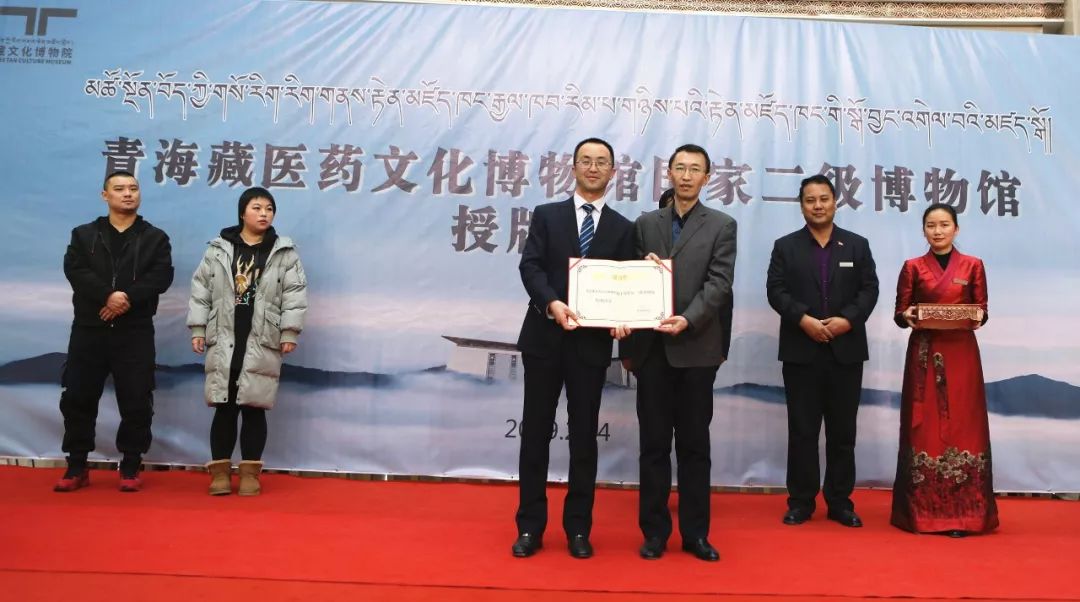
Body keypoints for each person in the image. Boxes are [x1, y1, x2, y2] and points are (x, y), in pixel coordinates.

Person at [512, 137, 635, 559]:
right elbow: (530, 266)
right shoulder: (547, 215)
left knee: (584, 438)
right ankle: (530, 527)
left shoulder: (623, 228)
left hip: (591, 346)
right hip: (544, 339)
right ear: (574, 167)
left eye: (602, 162)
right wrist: (552, 303)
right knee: (536, 434)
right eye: (586, 160)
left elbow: (626, 285)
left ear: (613, 171)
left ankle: (578, 529)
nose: (593, 167)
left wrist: (624, 317)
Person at [616, 144, 737, 562]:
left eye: (695, 169)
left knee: (694, 447)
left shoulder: (722, 225)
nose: (686, 176)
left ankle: (695, 534)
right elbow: (628, 278)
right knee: (652, 446)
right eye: (680, 168)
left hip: (696, 349)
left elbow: (719, 284)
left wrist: (688, 318)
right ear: (668, 173)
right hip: (652, 351)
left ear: (707, 177)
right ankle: (654, 533)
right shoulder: (645, 224)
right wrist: (642, 270)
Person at [766, 174, 878, 528]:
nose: (818, 205)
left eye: (824, 199)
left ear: (835, 202)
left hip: (846, 351)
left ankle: (840, 501)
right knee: (802, 431)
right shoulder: (786, 246)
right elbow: (776, 291)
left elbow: (869, 290)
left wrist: (847, 320)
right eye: (810, 200)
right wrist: (803, 319)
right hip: (801, 350)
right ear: (801, 206)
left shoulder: (857, 245)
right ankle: (801, 501)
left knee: (843, 433)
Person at [53, 170, 174, 493]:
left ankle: (131, 465)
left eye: (133, 188)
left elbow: (161, 276)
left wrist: (125, 300)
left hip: (134, 331)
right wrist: (107, 295)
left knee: (137, 399)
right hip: (89, 329)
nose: (128, 194)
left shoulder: (155, 237)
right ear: (104, 195)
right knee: (78, 397)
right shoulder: (84, 235)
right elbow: (75, 270)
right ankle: (77, 465)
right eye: (119, 189)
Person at [187, 187, 308, 496]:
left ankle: (251, 473)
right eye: (257, 207)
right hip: (224, 333)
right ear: (242, 213)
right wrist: (198, 328)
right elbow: (201, 290)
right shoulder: (219, 248)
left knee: (254, 406)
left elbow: (294, 295)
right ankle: (220, 473)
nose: (264, 213)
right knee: (224, 405)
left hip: (263, 335)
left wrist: (289, 332)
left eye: (269, 208)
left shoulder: (284, 252)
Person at [890, 203, 998, 537]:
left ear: (956, 229)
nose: (937, 231)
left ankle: (966, 515)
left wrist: (976, 316)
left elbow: (982, 310)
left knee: (966, 424)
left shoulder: (973, 265)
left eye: (944, 224)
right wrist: (907, 316)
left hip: (961, 354)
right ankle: (922, 513)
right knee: (925, 427)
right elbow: (900, 312)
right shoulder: (912, 267)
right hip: (924, 353)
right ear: (924, 230)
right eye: (931, 225)